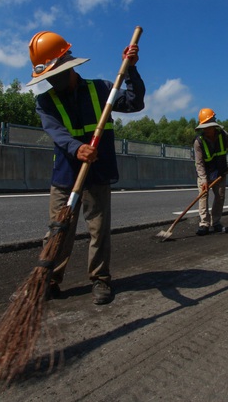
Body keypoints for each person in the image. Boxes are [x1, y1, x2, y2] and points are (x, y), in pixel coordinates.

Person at [27, 30, 145, 304]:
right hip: (66, 175)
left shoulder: (103, 88)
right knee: (58, 230)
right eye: (47, 77)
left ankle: (101, 280)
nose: (52, 81)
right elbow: (56, 132)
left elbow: (135, 102)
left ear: (68, 66)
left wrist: (131, 71)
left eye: (55, 73)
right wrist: (76, 147)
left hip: (98, 173)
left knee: (98, 230)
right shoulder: (44, 102)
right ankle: (49, 280)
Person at [193, 108, 228, 236]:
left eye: (209, 127)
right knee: (203, 196)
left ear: (214, 126)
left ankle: (216, 222)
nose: (206, 130)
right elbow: (199, 163)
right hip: (205, 173)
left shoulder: (223, 136)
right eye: (204, 127)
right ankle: (204, 224)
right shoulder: (198, 142)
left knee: (220, 196)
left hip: (220, 172)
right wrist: (203, 180)